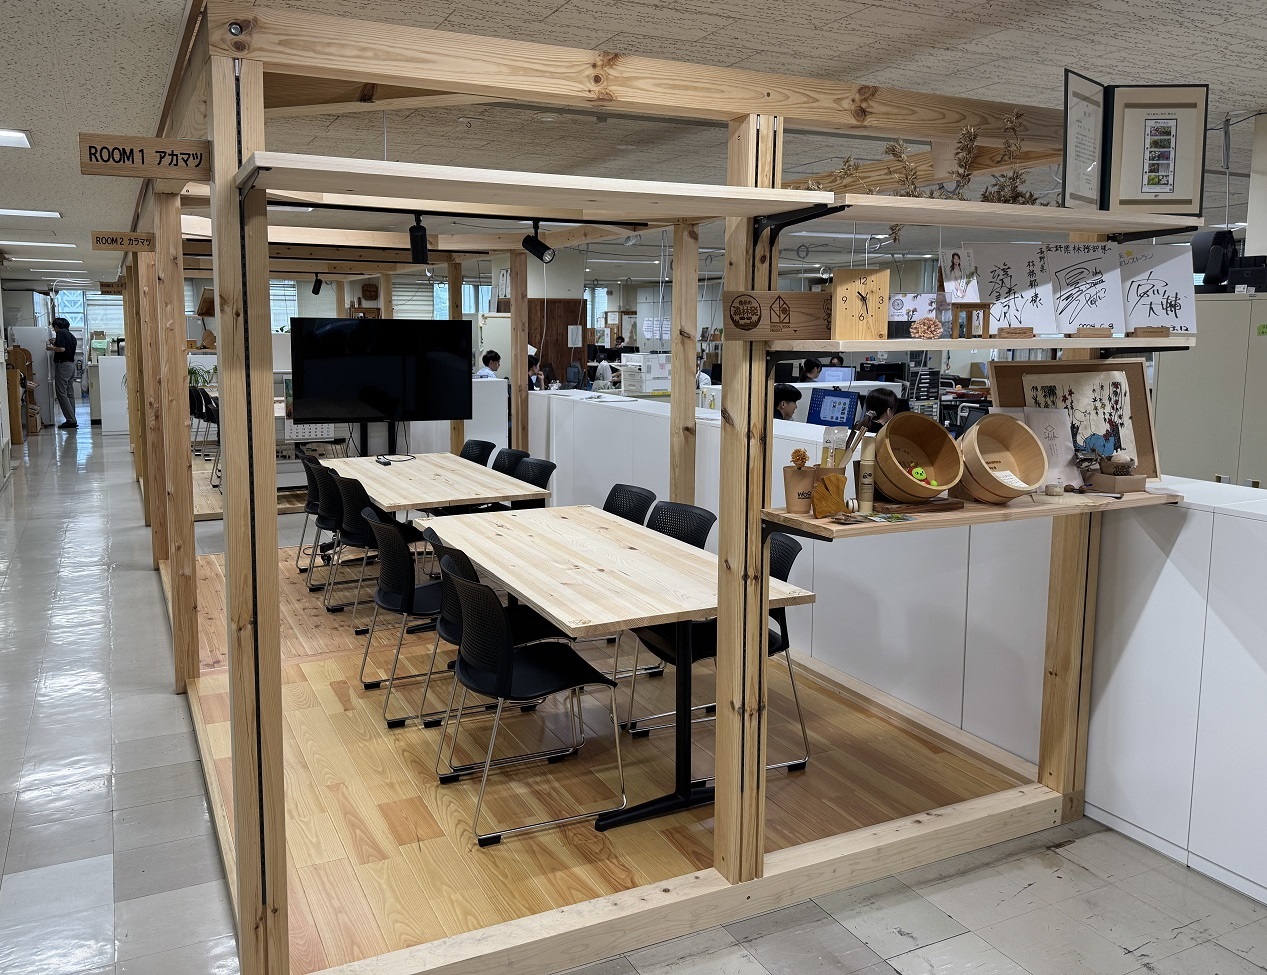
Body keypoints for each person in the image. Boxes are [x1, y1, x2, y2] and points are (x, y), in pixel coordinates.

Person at [47, 317, 78, 429]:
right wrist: (55, 342)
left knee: (61, 392)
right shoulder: (71, 335)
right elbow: (65, 346)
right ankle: (72, 418)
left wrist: (50, 347)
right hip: (71, 365)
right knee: (69, 392)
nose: (54, 329)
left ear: (57, 326)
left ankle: (70, 420)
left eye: (54, 327)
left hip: (63, 365)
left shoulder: (60, 333)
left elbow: (62, 349)